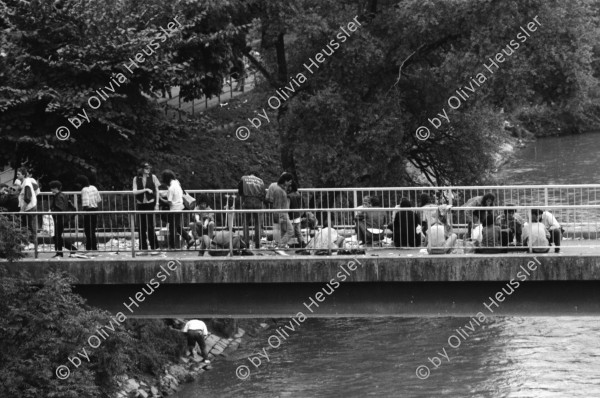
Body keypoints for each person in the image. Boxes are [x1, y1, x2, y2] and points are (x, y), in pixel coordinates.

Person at [159, 169, 193, 249]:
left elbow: (169, 202)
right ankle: (188, 239)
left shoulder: (171, 188)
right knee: (175, 226)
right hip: (180, 207)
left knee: (172, 228)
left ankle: (172, 246)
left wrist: (160, 198)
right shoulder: (177, 183)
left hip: (174, 209)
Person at [132, 162, 160, 252]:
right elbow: (134, 192)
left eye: (149, 168)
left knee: (150, 226)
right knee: (141, 226)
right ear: (142, 169)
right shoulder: (136, 178)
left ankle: (154, 247)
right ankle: (143, 247)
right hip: (140, 203)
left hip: (150, 203)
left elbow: (157, 191)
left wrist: (157, 204)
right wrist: (145, 190)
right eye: (146, 168)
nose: (149, 170)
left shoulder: (153, 177)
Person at [49, 180, 78, 258]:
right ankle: (68, 249)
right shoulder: (64, 195)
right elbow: (72, 206)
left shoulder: (58, 197)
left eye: (52, 188)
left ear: (55, 188)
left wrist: (52, 210)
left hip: (58, 218)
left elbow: (60, 208)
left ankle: (61, 251)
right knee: (57, 236)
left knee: (56, 236)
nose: (51, 190)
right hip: (63, 218)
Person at [238, 170, 265, 248]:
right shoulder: (261, 181)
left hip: (247, 200)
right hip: (258, 202)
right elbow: (263, 194)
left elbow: (240, 191)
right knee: (257, 223)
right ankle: (257, 243)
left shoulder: (244, 178)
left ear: (249, 174)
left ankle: (246, 243)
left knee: (246, 222)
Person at [75, 175, 101, 251]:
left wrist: (83, 212)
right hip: (95, 209)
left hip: (89, 210)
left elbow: (85, 204)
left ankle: (89, 247)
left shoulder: (84, 190)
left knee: (88, 230)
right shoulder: (94, 187)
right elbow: (98, 199)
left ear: (81, 183)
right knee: (92, 229)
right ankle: (93, 246)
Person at [269, 172, 294, 249]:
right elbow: (277, 205)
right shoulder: (279, 190)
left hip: (283, 213)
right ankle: (280, 245)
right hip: (282, 214)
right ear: (285, 181)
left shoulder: (281, 189)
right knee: (290, 231)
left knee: (284, 231)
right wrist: (279, 216)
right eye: (289, 182)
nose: (290, 183)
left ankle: (282, 246)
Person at [16, 167, 40, 238]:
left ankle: (32, 244)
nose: (17, 176)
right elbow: (36, 187)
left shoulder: (26, 183)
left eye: (18, 174)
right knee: (30, 227)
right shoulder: (26, 182)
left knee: (30, 227)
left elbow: (27, 198)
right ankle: (32, 244)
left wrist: (22, 210)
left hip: (29, 207)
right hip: (31, 206)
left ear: (23, 175)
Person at [288, 181, 306, 247]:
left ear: (291, 187)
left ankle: (286, 244)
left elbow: (288, 206)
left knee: (289, 231)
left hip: (291, 216)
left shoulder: (289, 196)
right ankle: (302, 242)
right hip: (298, 215)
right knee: (298, 231)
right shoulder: (298, 194)